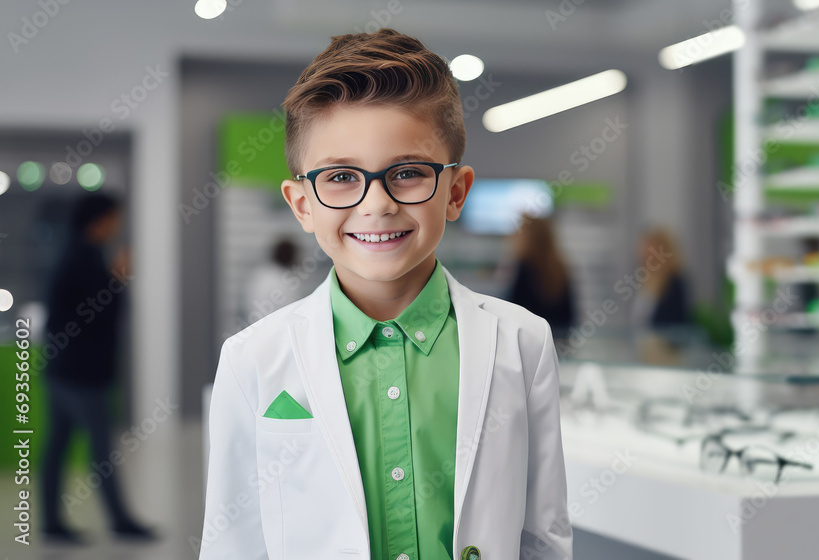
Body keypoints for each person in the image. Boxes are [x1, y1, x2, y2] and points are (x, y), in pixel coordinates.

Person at [198, 29, 572, 560]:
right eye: (342, 177)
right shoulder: (251, 360)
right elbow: (233, 546)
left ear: (456, 192)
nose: (377, 204)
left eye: (408, 172)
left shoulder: (523, 342)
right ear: (302, 204)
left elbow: (543, 536)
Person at [41, 193, 156, 544]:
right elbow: (99, 317)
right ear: (100, 219)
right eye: (113, 218)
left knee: (58, 447)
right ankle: (120, 521)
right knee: (100, 451)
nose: (117, 225)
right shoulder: (84, 259)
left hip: (63, 370)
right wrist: (118, 282)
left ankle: (52, 522)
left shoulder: (73, 254)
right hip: (81, 375)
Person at [503, 213, 576, 331]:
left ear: (530, 238)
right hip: (555, 342)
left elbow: (510, 312)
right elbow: (569, 318)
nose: (514, 238)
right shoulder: (560, 268)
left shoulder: (524, 268)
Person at [629, 228, 692, 328]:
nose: (643, 254)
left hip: (666, 342)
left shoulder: (675, 282)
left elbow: (677, 322)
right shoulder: (645, 280)